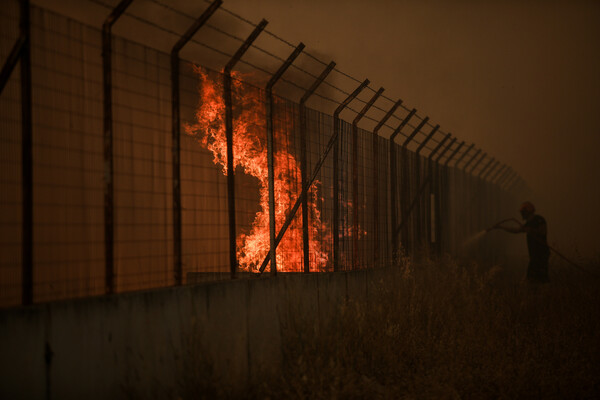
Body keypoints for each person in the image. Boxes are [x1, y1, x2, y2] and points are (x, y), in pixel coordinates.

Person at [495, 201, 550, 282]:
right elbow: (516, 230)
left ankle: (540, 291)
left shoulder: (539, 220)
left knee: (537, 279)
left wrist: (531, 230)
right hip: (534, 255)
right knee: (534, 279)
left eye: (523, 212)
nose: (522, 214)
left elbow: (543, 231)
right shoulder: (528, 223)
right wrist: (502, 227)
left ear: (528, 212)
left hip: (541, 254)